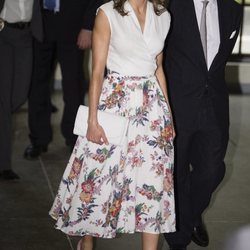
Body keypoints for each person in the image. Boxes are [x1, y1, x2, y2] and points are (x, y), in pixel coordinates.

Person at [49, 0, 176, 249]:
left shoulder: (163, 16)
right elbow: (97, 71)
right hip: (116, 102)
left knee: (153, 183)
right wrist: (92, 121)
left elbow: (159, 69)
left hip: (152, 109)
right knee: (100, 178)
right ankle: (87, 240)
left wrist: (168, 117)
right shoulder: (106, 13)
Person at [163, 0, 243, 249]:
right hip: (177, 103)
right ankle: (179, 240)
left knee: (212, 170)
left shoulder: (233, 9)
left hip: (214, 106)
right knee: (175, 174)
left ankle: (189, 211)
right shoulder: (171, 6)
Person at [23, 0, 103, 160]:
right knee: (36, 85)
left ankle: (73, 137)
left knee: (73, 87)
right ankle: (39, 139)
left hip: (73, 26)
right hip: (40, 24)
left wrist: (88, 27)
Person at [0, 0, 42, 180]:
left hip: (26, 35)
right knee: (3, 104)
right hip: (4, 35)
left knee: (19, 96)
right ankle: (3, 166)